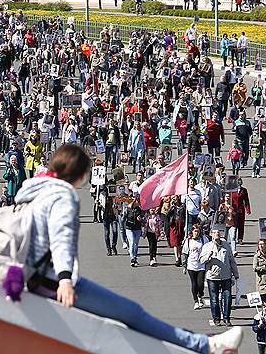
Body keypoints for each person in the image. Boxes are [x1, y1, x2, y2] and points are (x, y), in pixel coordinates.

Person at [12, 144, 242, 354]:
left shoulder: (32, 188)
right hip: (49, 279)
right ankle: (205, 345)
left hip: (22, 275)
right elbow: (62, 239)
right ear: (82, 175)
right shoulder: (62, 195)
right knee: (132, 313)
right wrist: (64, 279)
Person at [201, 228, 240, 327]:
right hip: (213, 277)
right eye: (214, 233)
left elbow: (231, 260)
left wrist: (236, 275)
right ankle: (216, 319)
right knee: (214, 299)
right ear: (211, 235)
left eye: (218, 232)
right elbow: (201, 260)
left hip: (226, 276)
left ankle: (226, 318)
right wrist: (208, 256)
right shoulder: (207, 246)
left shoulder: (226, 245)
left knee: (227, 297)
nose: (217, 234)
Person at [182, 225, 209, 310]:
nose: (196, 233)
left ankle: (200, 295)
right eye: (195, 231)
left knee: (200, 283)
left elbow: (208, 250)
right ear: (192, 232)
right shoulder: (188, 241)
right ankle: (196, 301)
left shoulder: (204, 240)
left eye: (198, 231)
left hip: (201, 265)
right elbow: (185, 254)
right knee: (194, 283)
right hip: (191, 265)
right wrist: (184, 266)